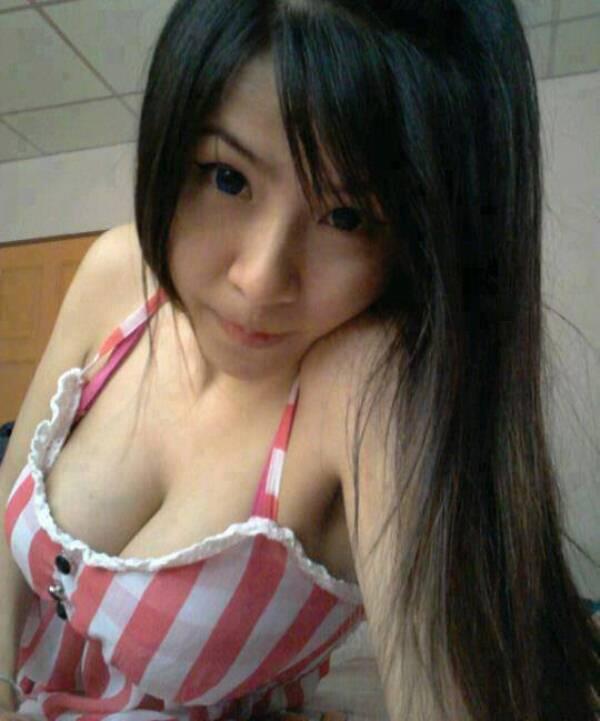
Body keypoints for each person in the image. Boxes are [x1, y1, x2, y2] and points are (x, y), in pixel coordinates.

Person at [1, 1, 598, 720]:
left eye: (346, 217)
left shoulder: (362, 388)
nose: (260, 279)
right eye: (227, 177)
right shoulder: (119, 273)